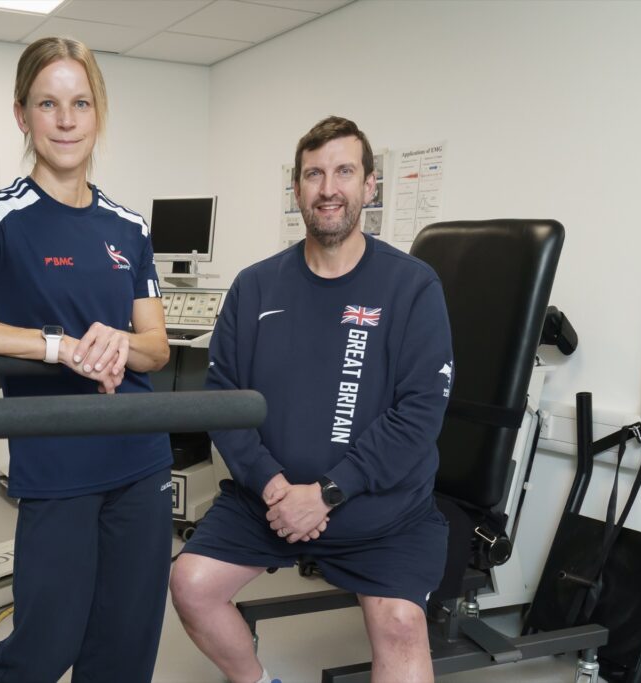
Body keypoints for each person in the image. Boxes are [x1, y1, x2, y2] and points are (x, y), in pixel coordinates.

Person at [0, 36, 173, 683]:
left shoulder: (129, 227)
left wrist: (117, 341)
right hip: (57, 461)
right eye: (47, 103)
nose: (65, 119)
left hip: (139, 459)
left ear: (98, 113)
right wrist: (56, 345)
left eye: (80, 103)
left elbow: (157, 345)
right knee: (45, 644)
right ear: (21, 114)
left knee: (125, 647)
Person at [170, 116, 453, 683]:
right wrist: (276, 488)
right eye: (314, 174)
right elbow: (222, 399)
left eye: (344, 171)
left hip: (382, 511)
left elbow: (419, 412)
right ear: (297, 189)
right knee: (190, 584)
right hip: (266, 502)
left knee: (401, 623)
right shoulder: (254, 287)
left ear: (370, 186)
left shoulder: (412, 287)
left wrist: (327, 493)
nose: (329, 188)